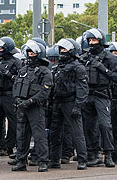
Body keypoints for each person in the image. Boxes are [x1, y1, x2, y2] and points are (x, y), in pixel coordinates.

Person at [11, 40, 52, 172]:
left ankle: (43, 161)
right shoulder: (23, 69)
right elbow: (16, 86)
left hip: (35, 107)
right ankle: (21, 160)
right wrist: (17, 99)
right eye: (29, 52)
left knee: (39, 135)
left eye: (33, 52)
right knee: (21, 135)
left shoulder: (45, 71)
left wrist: (30, 101)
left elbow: (45, 91)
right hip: (22, 107)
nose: (30, 54)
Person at [48, 38, 89, 170]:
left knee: (77, 132)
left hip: (71, 102)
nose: (62, 52)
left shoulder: (78, 67)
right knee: (55, 133)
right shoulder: (57, 66)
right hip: (57, 102)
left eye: (65, 49)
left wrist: (78, 105)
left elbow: (82, 88)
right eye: (61, 49)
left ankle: (82, 160)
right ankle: (54, 160)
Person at [81, 28, 117, 167]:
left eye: (94, 40)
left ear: (101, 41)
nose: (91, 42)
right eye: (89, 40)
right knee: (89, 126)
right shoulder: (85, 57)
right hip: (88, 95)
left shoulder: (110, 58)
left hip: (102, 95)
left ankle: (108, 154)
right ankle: (93, 154)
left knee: (105, 125)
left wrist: (102, 68)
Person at [0, 37, 21, 161]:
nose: (0, 50)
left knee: (15, 124)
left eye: (2, 48)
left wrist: (10, 76)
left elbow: (20, 79)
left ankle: (19, 151)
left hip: (10, 95)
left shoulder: (16, 62)